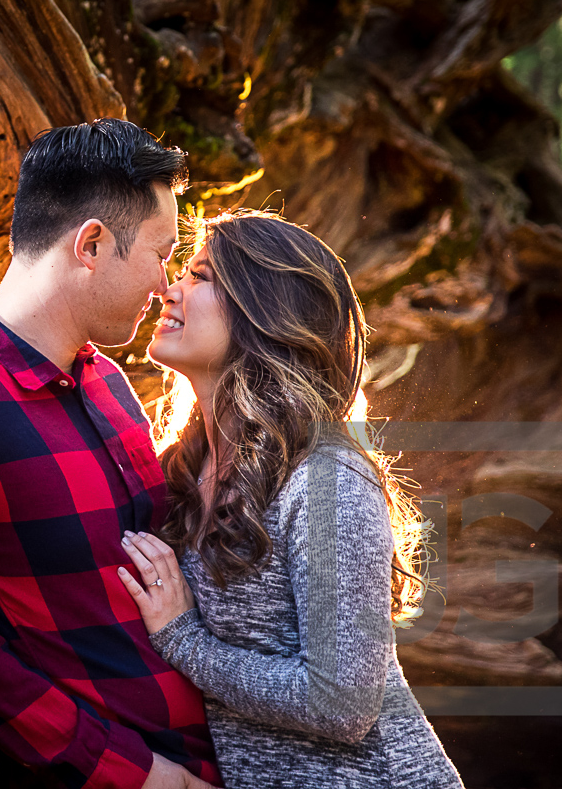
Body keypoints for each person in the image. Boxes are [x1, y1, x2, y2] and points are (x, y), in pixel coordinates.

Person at [0, 120, 218, 789]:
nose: (165, 282)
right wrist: (145, 778)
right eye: (161, 252)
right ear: (91, 244)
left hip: (221, 760)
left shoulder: (109, 385)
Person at [115, 210, 463, 788]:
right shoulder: (185, 468)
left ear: (263, 310)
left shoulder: (327, 479)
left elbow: (344, 706)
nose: (168, 290)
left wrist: (183, 640)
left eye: (199, 276)